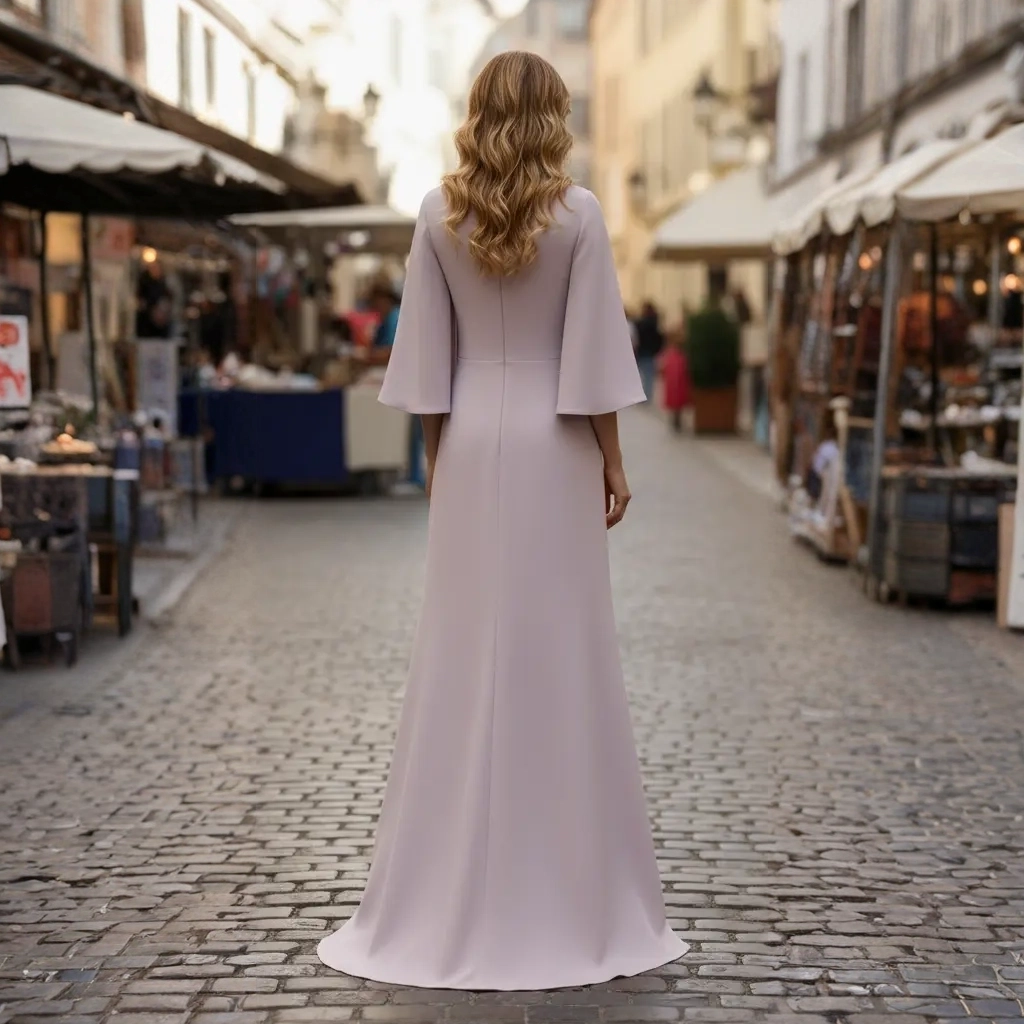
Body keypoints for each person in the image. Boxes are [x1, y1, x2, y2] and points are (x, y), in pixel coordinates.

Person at [316, 50, 687, 991]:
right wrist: (611, 459)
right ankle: (566, 888)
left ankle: (445, 887)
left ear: (477, 109)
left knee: (461, 654)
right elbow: (597, 351)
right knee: (564, 654)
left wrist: (440, 459)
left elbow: (429, 357)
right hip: (556, 442)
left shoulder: (439, 213)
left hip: (476, 438)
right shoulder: (582, 212)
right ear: (553, 113)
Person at [660, 328, 691, 433]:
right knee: (677, 402)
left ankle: (676, 420)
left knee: (677, 402)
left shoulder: (671, 354)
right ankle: (676, 420)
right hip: (676, 382)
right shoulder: (678, 355)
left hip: (676, 383)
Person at [634, 300, 664, 401]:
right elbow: (659, 337)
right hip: (650, 351)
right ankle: (647, 395)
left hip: (643, 351)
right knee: (649, 375)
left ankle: (645, 395)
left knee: (645, 374)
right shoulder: (654, 322)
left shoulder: (641, 323)